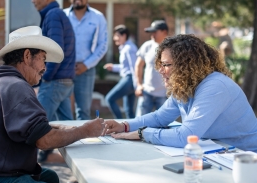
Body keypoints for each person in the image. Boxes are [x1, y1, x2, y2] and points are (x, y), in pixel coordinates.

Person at [0, 26, 104, 183]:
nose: (45, 68)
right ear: (27, 56)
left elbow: (30, 129)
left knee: (50, 177)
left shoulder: (1, 82)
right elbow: (44, 141)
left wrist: (61, 129)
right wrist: (85, 130)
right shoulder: (16, 86)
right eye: (43, 59)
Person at [102, 34, 257, 152]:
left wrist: (142, 133)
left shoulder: (215, 86)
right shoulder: (186, 85)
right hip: (218, 152)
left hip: (245, 158)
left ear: (187, 66)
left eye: (166, 65)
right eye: (160, 65)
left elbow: (186, 136)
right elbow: (159, 117)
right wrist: (124, 126)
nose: (161, 71)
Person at [32, 0, 76, 163]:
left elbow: (54, 51)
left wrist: (45, 77)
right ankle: (82, 168)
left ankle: (21, 171)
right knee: (70, 131)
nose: (32, 0)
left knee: (34, 126)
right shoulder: (55, 14)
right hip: (63, 81)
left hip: (55, 81)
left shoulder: (53, 15)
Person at [64, 0, 108, 120]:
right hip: (64, 70)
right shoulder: (62, 15)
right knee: (63, 109)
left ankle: (82, 139)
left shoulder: (98, 17)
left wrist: (86, 65)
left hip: (86, 70)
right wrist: (65, 63)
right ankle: (64, 138)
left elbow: (103, 45)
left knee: (83, 111)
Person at [134, 20, 168, 116]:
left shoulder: (172, 48)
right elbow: (138, 65)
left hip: (164, 95)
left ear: (164, 32)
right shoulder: (147, 46)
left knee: (163, 126)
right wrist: (139, 85)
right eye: (151, 32)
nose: (152, 35)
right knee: (139, 124)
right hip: (146, 93)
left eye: (155, 32)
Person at [104, 25, 138, 119]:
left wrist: (136, 85)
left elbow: (134, 67)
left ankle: (119, 123)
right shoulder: (125, 47)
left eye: (117, 35)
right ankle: (131, 129)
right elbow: (124, 67)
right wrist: (113, 67)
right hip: (129, 78)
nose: (115, 38)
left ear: (124, 36)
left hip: (129, 79)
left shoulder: (129, 48)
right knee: (129, 110)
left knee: (109, 99)